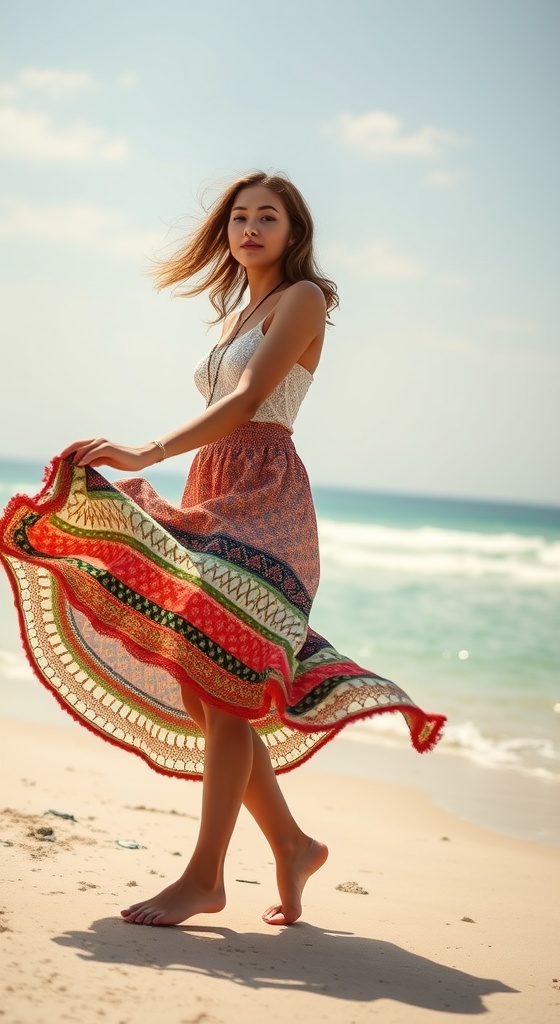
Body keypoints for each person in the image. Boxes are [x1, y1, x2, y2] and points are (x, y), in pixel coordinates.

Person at [0, 170, 445, 928]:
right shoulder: (239, 307)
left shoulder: (305, 298)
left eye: (266, 217)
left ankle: (205, 876)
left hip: (267, 496)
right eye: (239, 216)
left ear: (294, 232)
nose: (249, 228)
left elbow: (245, 404)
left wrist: (143, 452)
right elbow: (222, 410)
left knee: (227, 684)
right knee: (212, 688)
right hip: (216, 485)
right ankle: (293, 844)